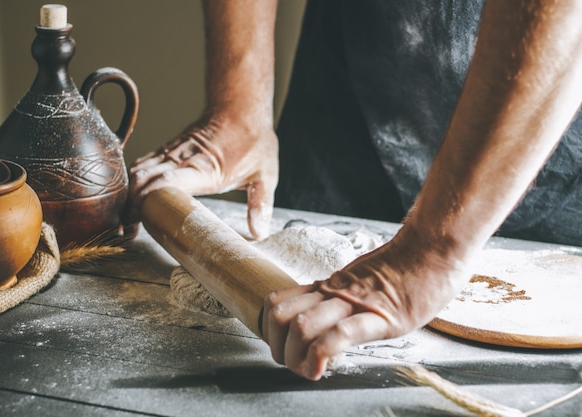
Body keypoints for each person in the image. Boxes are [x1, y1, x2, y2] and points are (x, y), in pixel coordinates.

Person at [128, 0, 582, 381]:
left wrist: (436, 244)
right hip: (354, 71)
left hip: (550, 113)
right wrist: (238, 107)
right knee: (308, 345)